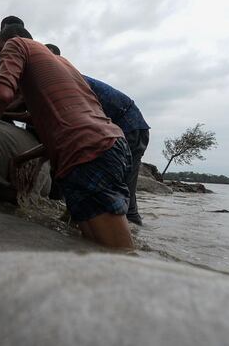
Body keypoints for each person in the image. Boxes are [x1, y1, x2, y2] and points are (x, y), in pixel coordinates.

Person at [0, 26, 134, 249]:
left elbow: (1, 94)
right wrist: (22, 159)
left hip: (87, 153)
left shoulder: (14, 44)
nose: (0, 59)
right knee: (96, 248)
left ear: (3, 38)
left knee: (120, 255)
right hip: (111, 145)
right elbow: (60, 125)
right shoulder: (63, 63)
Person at [45, 44, 151, 225]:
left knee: (124, 193)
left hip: (130, 128)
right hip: (123, 126)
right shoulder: (64, 81)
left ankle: (130, 239)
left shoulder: (70, 81)